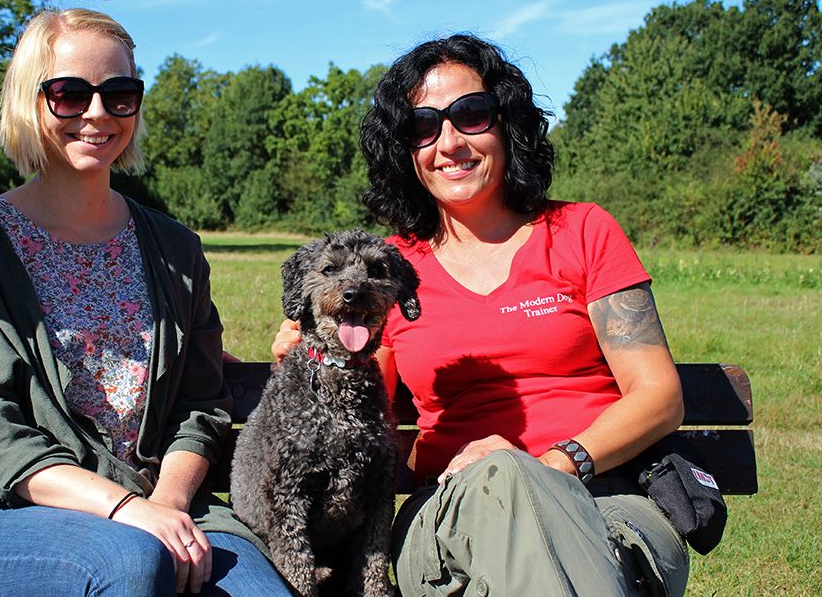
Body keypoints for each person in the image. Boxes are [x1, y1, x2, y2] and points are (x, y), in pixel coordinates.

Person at [273, 34, 689, 596]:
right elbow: (371, 423)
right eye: (423, 126)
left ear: (506, 123)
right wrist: (313, 355)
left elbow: (659, 396)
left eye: (470, 115)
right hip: (451, 518)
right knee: (504, 483)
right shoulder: (389, 274)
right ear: (405, 148)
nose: (448, 142)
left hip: (604, 501)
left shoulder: (584, 230)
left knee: (516, 484)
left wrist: (548, 466)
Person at [0, 8, 291, 596]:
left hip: (168, 507)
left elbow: (201, 406)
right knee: (131, 564)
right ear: (29, 100)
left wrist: (166, 504)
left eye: (119, 94)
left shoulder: (176, 250)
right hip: (15, 512)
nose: (97, 113)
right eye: (69, 94)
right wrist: (129, 512)